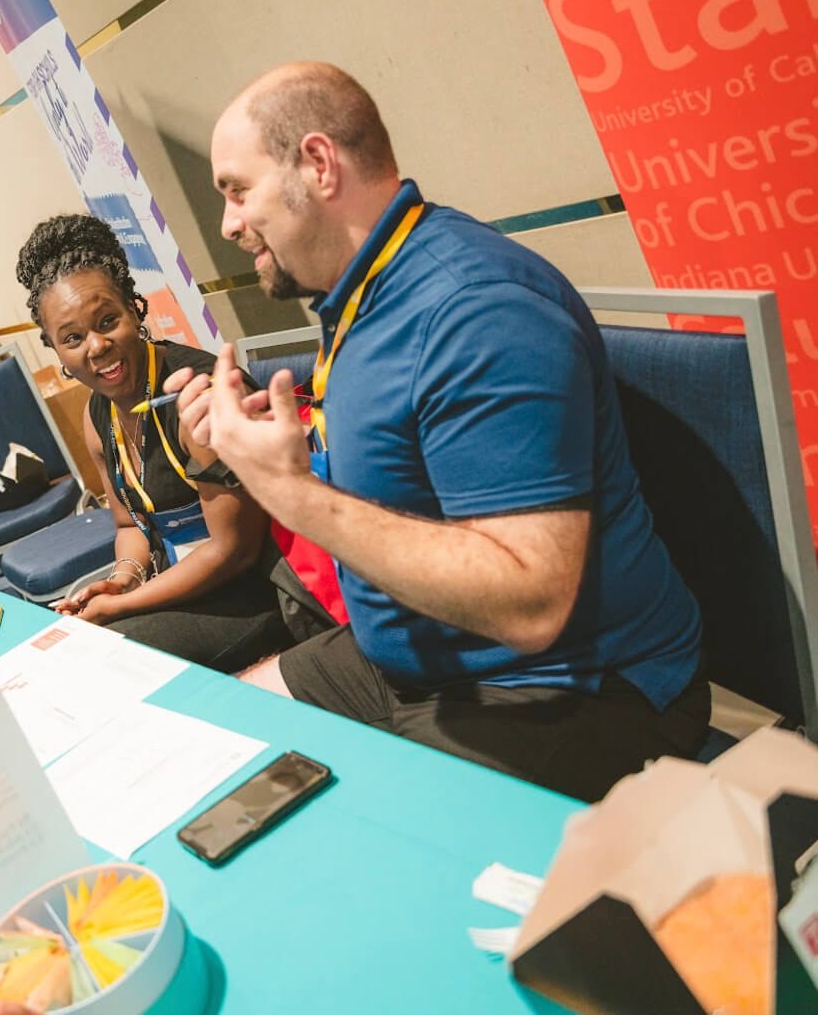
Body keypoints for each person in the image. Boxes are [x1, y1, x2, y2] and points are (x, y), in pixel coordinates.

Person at [173, 62, 707, 801]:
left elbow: (531, 603)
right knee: (216, 742)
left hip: (566, 687)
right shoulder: (359, 296)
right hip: (420, 653)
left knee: (355, 845)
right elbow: (403, 482)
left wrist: (289, 491)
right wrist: (259, 452)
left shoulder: (475, 311)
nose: (229, 223)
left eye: (237, 190)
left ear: (319, 165)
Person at [13, 213, 309, 672]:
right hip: (182, 584)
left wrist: (125, 606)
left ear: (135, 309)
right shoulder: (98, 415)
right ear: (56, 352)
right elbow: (130, 528)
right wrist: (122, 581)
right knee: (77, 653)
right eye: (72, 338)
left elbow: (236, 550)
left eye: (107, 321)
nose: (96, 346)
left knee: (112, 663)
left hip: (261, 588)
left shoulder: (198, 394)